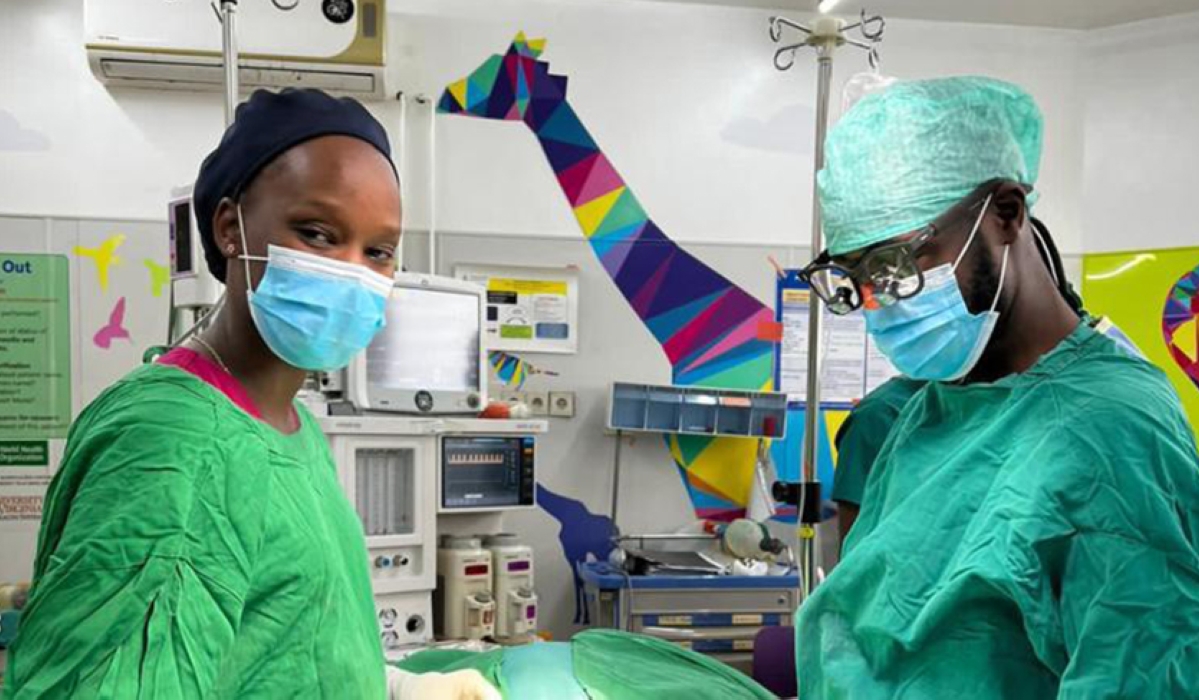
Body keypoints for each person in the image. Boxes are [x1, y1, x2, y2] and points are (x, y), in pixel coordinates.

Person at [3, 89, 496, 700]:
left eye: (378, 251)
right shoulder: (172, 444)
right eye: (318, 234)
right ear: (231, 227)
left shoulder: (288, 424)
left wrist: (389, 685)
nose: (351, 271)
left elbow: (287, 641)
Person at [795, 76, 1199, 697]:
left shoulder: (1114, 431)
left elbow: (1140, 671)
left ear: (1005, 215)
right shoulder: (929, 410)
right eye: (856, 279)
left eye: (897, 265)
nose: (878, 302)